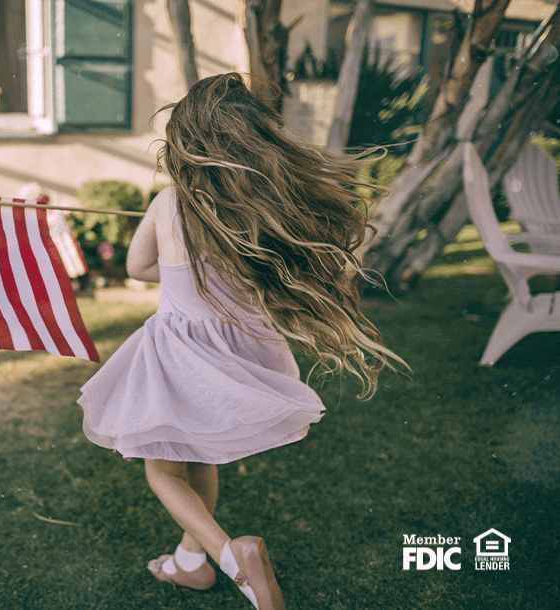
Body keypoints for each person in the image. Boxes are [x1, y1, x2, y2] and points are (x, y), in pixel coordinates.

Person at [76, 73, 404, 610]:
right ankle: (189, 565)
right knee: (199, 461)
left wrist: (172, 260)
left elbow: (137, 267)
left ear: (187, 144)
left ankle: (232, 558)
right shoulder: (262, 209)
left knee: (164, 473)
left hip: (182, 354)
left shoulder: (169, 203)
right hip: (244, 353)